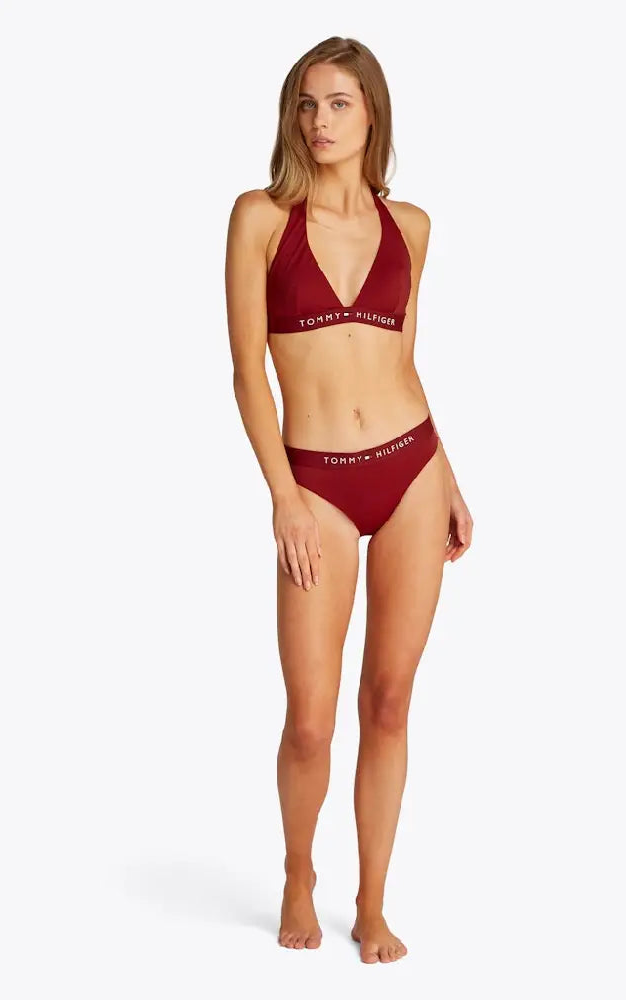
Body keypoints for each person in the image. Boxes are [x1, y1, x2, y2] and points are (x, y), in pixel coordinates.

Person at [225, 36, 473, 964]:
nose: (319, 122)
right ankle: (299, 873)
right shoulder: (260, 218)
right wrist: (283, 498)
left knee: (392, 700)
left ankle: (371, 904)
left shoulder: (411, 227)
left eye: (338, 104)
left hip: (412, 469)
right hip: (315, 484)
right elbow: (248, 373)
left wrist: (450, 476)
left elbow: (403, 364)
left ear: (373, 113)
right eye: (306, 104)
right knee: (311, 720)